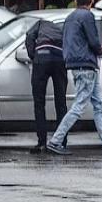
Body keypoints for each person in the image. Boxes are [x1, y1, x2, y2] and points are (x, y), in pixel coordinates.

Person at [45, 0, 102, 156]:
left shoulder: (69, 17)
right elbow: (93, 41)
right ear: (91, 0)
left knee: (99, 105)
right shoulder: (87, 16)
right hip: (86, 66)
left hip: (78, 65)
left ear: (76, 1)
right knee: (80, 106)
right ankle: (55, 140)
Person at [25, 18, 68, 153]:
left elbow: (29, 36)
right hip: (59, 58)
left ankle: (42, 143)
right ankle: (61, 142)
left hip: (42, 58)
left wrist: (33, 55)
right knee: (61, 103)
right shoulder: (65, 25)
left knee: (39, 103)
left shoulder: (40, 23)